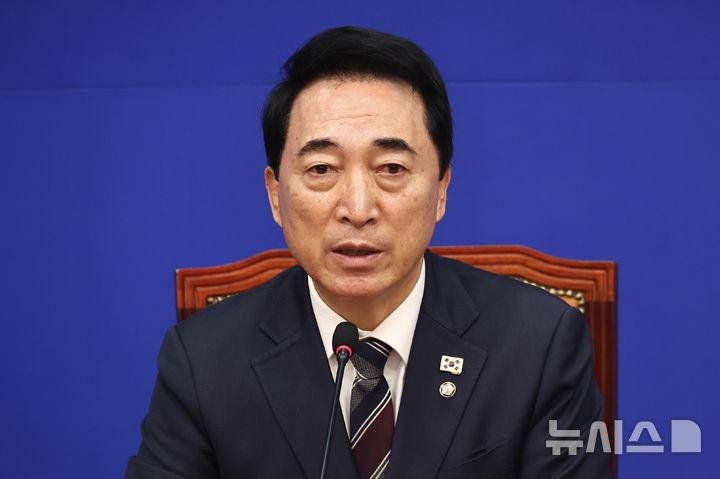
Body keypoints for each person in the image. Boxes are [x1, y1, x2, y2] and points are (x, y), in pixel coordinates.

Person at [125, 26, 611, 478]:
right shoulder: (204, 361)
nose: (357, 209)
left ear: (441, 189)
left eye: (391, 168)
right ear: (275, 195)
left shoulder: (539, 345)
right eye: (321, 169)